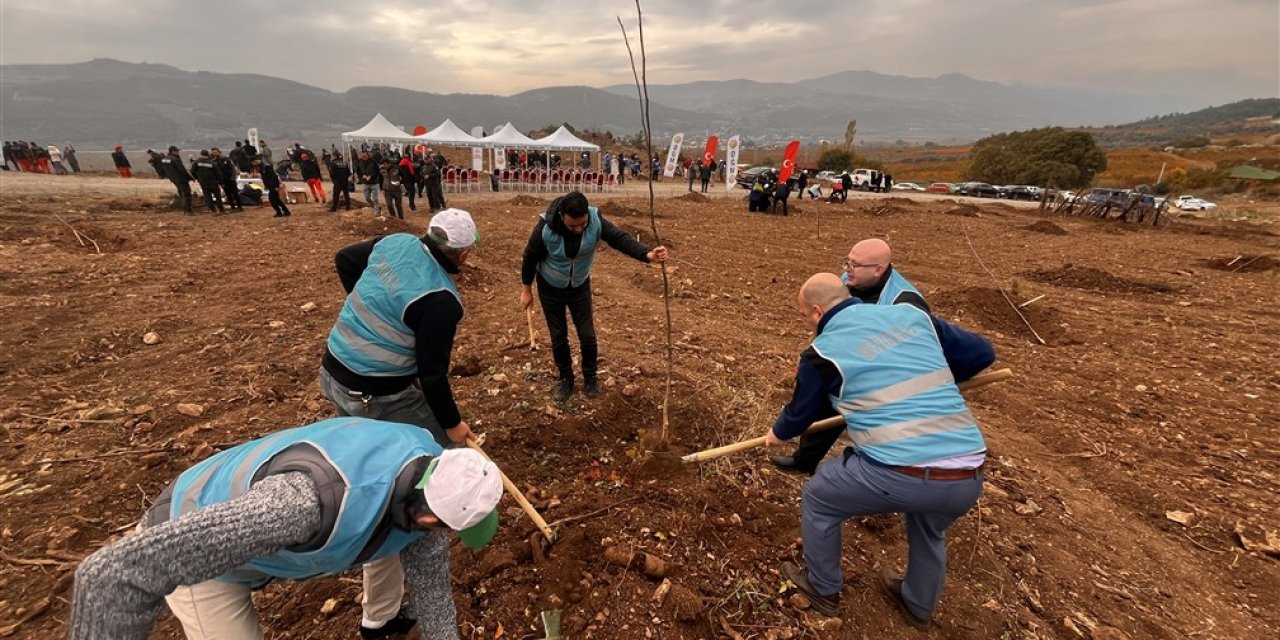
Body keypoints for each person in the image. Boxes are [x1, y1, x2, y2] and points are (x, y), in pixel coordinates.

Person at [70, 417, 502, 640]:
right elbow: (113, 573)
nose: (443, 538)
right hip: (197, 536)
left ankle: (379, 623)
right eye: (447, 530)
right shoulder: (300, 506)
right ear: (430, 517)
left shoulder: (430, 471)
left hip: (268, 527)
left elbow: (432, 589)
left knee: (397, 545)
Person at [767, 274, 991, 629]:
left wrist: (777, 435)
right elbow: (982, 352)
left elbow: (800, 413)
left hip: (900, 475)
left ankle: (822, 589)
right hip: (968, 473)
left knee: (819, 497)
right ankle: (917, 604)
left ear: (816, 311)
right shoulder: (911, 316)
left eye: (805, 317)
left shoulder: (822, 351)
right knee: (928, 526)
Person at [772, 238, 940, 473]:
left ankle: (886, 473)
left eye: (854, 265)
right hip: (852, 363)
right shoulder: (846, 285)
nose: (846, 270)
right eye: (847, 262)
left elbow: (917, 346)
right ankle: (805, 460)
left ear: (878, 270)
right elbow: (832, 326)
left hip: (889, 375)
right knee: (826, 399)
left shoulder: (905, 301)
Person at [320, 209, 480, 448]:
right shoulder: (441, 299)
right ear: (464, 255)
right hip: (372, 393)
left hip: (332, 371)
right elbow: (432, 376)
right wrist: (452, 425)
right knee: (444, 451)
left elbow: (345, 259)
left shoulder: (395, 241)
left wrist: (374, 304)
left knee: (365, 450)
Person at [520, 192, 669, 401]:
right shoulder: (545, 229)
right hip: (550, 287)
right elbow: (530, 256)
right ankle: (566, 379)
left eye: (582, 224)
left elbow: (619, 238)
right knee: (558, 336)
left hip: (579, 285)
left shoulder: (595, 220)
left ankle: (590, 378)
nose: (579, 229)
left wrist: (647, 254)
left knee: (587, 336)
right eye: (573, 226)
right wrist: (527, 288)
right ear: (562, 216)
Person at [160, 146, 195, 214]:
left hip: (174, 179)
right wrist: (190, 178)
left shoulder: (164, 159)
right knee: (187, 193)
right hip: (181, 179)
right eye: (177, 151)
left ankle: (184, 209)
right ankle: (188, 211)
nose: (178, 152)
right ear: (172, 151)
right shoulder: (175, 159)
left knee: (181, 193)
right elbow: (182, 170)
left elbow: (163, 169)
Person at [210, 148, 245, 212]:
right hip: (223, 181)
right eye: (213, 153)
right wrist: (219, 182)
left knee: (235, 193)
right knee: (228, 194)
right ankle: (232, 207)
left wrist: (233, 178)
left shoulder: (226, 159)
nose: (215, 154)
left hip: (230, 179)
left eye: (216, 152)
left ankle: (240, 207)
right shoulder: (213, 162)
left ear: (219, 152)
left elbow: (233, 169)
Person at [356, 150, 383, 216]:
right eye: (362, 155)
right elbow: (358, 171)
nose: (363, 157)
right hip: (365, 183)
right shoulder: (359, 162)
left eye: (365, 155)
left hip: (374, 183)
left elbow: (378, 172)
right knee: (367, 198)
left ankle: (376, 211)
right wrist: (363, 175)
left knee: (375, 198)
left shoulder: (374, 162)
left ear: (368, 155)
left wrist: (371, 176)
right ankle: (377, 206)